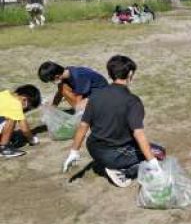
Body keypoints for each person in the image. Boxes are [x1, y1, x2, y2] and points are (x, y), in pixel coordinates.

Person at [62, 55, 163, 187]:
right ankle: (121, 171)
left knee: (138, 147)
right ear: (130, 74)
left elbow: (83, 125)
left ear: (110, 74)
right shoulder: (132, 101)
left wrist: (74, 152)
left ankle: (112, 163)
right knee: (159, 153)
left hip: (93, 148)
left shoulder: (95, 96)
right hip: (113, 154)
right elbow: (138, 133)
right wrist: (152, 162)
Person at [38, 61, 108, 111]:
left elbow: (78, 102)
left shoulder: (78, 77)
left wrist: (79, 110)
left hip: (102, 95)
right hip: (91, 92)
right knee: (62, 88)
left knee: (79, 107)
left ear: (57, 77)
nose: (52, 83)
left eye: (51, 81)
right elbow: (59, 94)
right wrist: (53, 107)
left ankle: (90, 116)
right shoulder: (66, 73)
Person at [0, 85, 41, 157]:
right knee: (11, 118)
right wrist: (32, 140)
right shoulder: (16, 104)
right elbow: (25, 130)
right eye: (28, 107)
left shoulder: (4, 94)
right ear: (25, 100)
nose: (26, 110)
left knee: (6, 118)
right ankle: (4, 148)